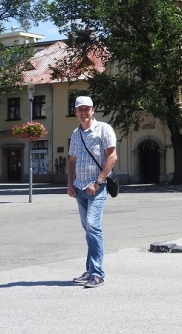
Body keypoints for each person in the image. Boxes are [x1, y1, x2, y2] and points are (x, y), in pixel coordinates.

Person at [67, 96, 117, 288]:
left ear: (93, 110)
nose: (84, 112)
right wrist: (70, 184)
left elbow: (112, 156)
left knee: (92, 226)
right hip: (79, 188)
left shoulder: (104, 129)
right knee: (88, 229)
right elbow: (72, 161)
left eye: (87, 109)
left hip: (97, 187)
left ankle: (97, 274)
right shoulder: (75, 134)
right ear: (75, 112)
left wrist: (98, 182)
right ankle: (90, 270)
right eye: (80, 109)